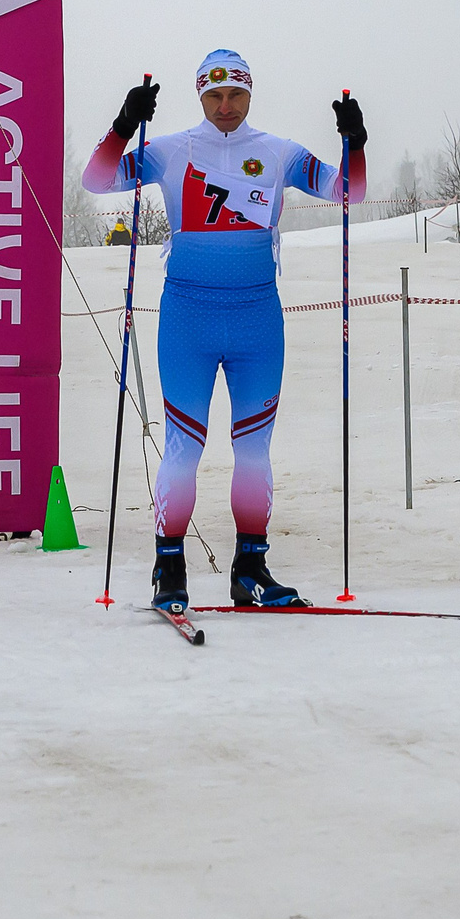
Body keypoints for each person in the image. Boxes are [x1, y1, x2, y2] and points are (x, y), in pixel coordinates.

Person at [82, 50, 366, 612]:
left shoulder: (279, 152)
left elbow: (347, 193)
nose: (225, 107)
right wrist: (121, 125)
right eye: (214, 96)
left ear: (250, 94)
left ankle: (250, 569)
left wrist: (355, 144)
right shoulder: (168, 150)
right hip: (188, 315)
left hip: (257, 318)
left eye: (235, 95)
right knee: (183, 448)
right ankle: (169, 569)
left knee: (254, 451)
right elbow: (96, 179)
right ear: (199, 98)